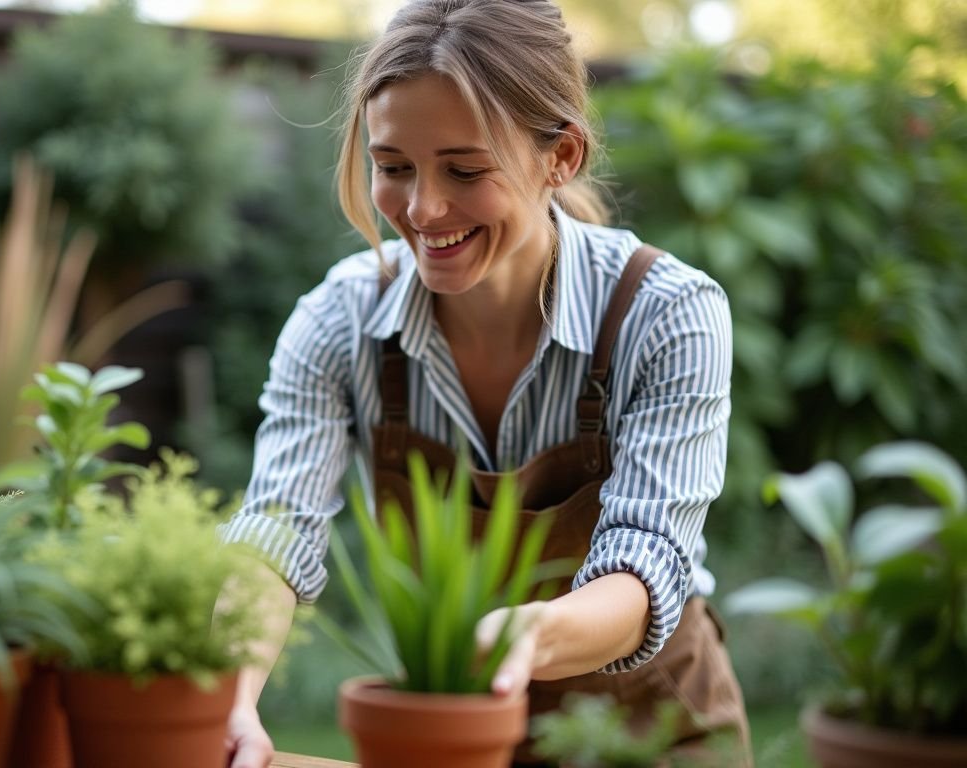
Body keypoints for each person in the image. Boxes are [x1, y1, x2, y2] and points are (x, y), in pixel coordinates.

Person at [218, 1, 752, 766]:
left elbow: (646, 564)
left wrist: (529, 633)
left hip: (649, 733)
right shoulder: (339, 320)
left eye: (465, 170)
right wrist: (230, 702)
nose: (424, 208)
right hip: (451, 729)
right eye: (393, 167)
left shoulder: (668, 315)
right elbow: (275, 532)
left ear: (560, 157)